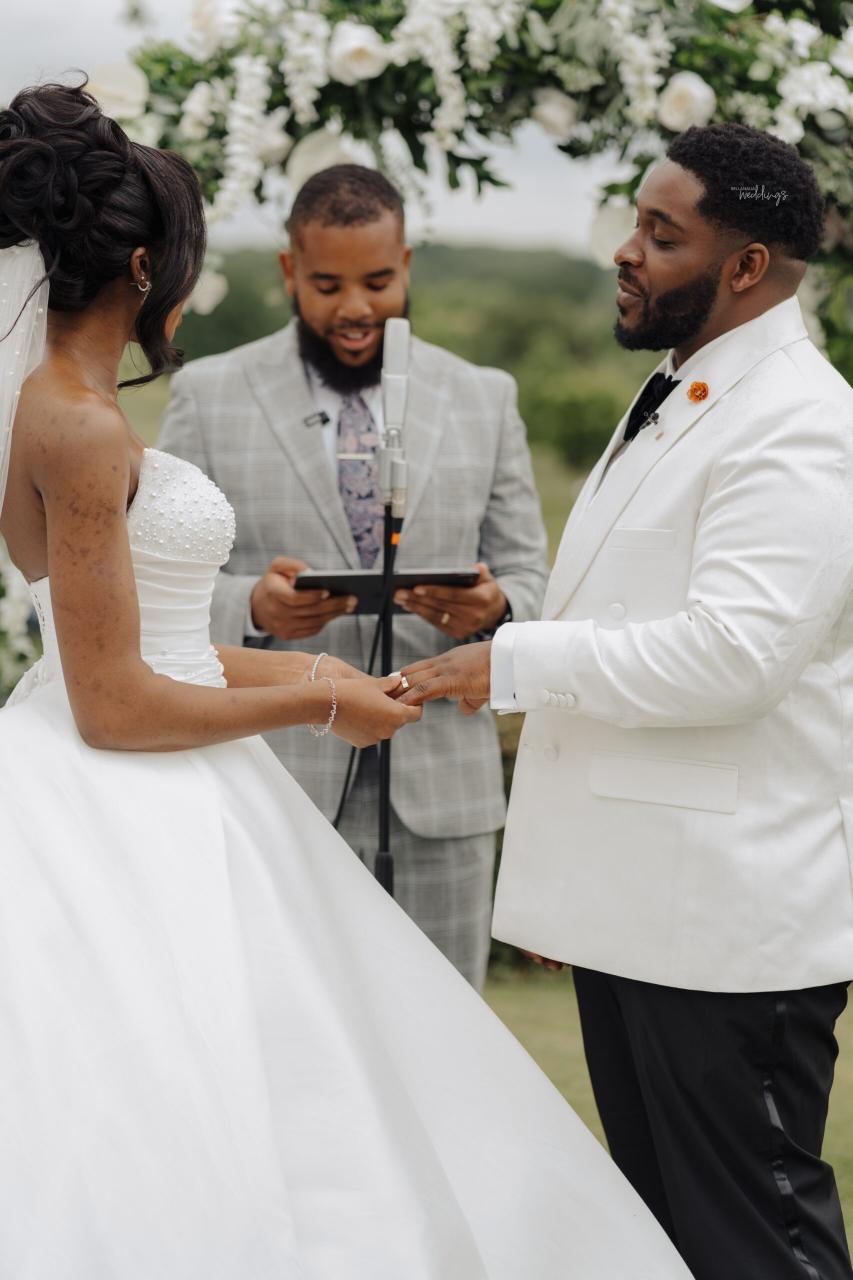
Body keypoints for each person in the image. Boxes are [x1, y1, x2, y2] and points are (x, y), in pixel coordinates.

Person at [0, 81, 693, 1278]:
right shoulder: (78, 422)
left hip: (186, 771)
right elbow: (111, 701)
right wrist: (319, 696)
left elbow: (138, 643)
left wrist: (313, 661)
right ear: (142, 264)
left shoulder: (64, 405)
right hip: (128, 801)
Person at [399, 122, 853, 1280]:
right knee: (663, 1238)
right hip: (644, 908)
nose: (626, 250)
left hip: (725, 931)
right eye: (634, 225)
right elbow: (636, 605)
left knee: (755, 1239)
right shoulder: (688, 386)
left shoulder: (801, 421)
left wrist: (507, 662)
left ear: (745, 265)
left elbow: (731, 655)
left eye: (661, 233)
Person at [157, 164, 549, 990]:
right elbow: (161, 591)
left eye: (377, 282)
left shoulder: (484, 397)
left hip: (442, 796)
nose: (355, 309)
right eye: (328, 285)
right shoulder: (208, 393)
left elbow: (533, 579)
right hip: (275, 786)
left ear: (405, 263)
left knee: (444, 1029)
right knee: (283, 1025)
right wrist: (252, 605)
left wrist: (494, 607)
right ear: (289, 270)